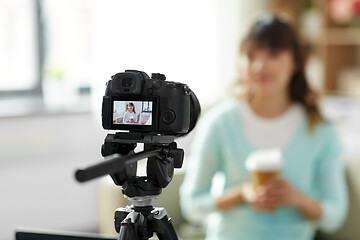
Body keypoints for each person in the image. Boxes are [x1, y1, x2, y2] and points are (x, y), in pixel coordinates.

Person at [180, 14, 348, 240]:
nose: (259, 65)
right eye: (250, 56)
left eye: (273, 54)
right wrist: (241, 194)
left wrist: (296, 198)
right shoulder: (219, 123)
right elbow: (192, 205)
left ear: (296, 62)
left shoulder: (320, 129)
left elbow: (335, 215)